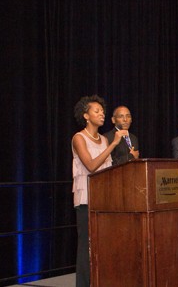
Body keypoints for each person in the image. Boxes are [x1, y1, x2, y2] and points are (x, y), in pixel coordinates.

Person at [71, 95, 128, 287]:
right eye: (97, 111)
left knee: (103, 245)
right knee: (86, 247)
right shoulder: (79, 138)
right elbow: (91, 166)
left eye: (103, 111)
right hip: (86, 199)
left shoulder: (103, 139)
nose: (101, 114)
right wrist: (114, 144)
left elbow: (107, 171)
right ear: (86, 115)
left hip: (103, 199)